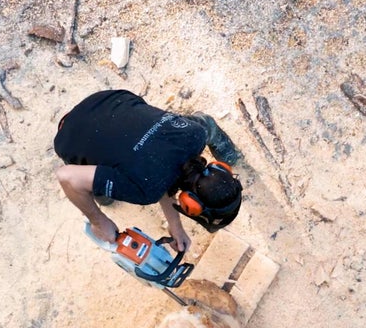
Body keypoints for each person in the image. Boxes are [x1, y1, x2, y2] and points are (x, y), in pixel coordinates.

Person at [54, 89, 243, 252]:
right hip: (68, 134)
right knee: (103, 197)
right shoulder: (145, 190)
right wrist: (98, 221)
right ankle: (100, 196)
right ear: (188, 204)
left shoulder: (195, 133)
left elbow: (161, 177)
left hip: (109, 99)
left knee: (152, 160)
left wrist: (175, 226)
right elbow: (66, 176)